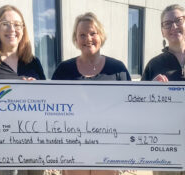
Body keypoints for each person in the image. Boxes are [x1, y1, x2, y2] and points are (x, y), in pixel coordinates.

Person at [52, 12, 131, 175]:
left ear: (101, 35)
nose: (88, 38)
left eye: (93, 33)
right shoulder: (63, 70)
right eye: (82, 35)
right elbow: (50, 107)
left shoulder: (118, 69)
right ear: (76, 39)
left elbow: (132, 106)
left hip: (109, 150)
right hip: (73, 149)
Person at [0, 5, 46, 175]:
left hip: (36, 140)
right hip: (4, 142)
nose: (12, 29)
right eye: (6, 23)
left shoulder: (33, 62)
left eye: (17, 24)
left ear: (23, 29)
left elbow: (45, 103)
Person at [142, 4, 185, 175]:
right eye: (167, 23)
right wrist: (151, 90)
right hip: (164, 144)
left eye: (178, 20)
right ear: (162, 31)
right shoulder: (154, 64)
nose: (173, 27)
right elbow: (139, 103)